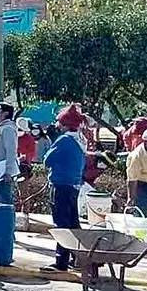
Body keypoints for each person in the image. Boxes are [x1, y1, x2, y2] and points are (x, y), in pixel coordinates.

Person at [42, 105, 87, 272]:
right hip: (74, 185)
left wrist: (54, 141)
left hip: (60, 185)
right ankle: (78, 257)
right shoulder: (81, 139)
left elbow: (47, 161)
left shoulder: (64, 140)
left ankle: (61, 261)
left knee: (61, 224)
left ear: (65, 124)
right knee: (73, 223)